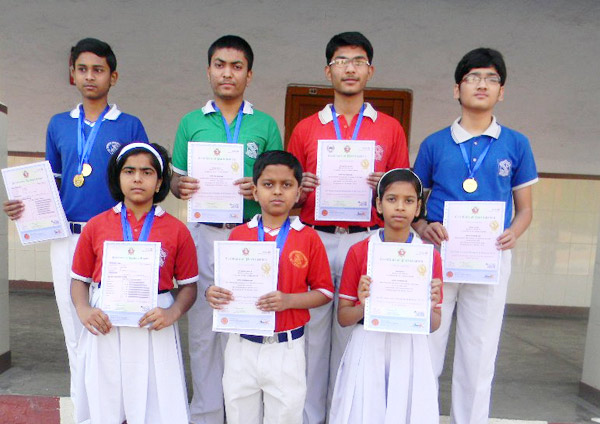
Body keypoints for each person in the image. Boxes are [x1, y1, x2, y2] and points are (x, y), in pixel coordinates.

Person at [2, 37, 148, 404]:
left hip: (116, 239)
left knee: (115, 319)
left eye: (98, 70)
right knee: (74, 323)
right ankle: (83, 406)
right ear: (72, 74)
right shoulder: (59, 125)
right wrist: (24, 206)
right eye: (82, 69)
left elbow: (142, 182)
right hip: (66, 238)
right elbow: (50, 184)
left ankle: (116, 404)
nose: (89, 76)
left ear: (113, 76)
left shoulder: (129, 126)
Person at [287, 31, 409, 423]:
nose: (350, 68)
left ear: (370, 70)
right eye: (341, 61)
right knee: (312, 336)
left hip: (365, 240)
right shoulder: (307, 128)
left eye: (358, 61)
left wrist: (385, 186)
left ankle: (344, 415)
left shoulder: (389, 128)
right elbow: (287, 193)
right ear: (328, 71)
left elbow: (403, 191)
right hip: (316, 237)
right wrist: (300, 189)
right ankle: (309, 418)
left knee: (354, 336)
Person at [412, 48, 538, 424]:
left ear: (502, 91)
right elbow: (414, 206)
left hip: (490, 259)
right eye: (472, 77)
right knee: (426, 346)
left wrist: (513, 233)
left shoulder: (516, 143)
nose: (482, 84)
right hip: (438, 256)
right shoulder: (435, 144)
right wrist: (423, 227)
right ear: (457, 89)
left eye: (491, 78)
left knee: (479, 353)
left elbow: (525, 209)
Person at [170, 35, 283, 424]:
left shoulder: (265, 124)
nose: (227, 73)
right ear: (209, 71)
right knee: (204, 327)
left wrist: (261, 187)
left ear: (249, 75)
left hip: (251, 235)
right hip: (204, 233)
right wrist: (180, 186)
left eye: (237, 66)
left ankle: (242, 413)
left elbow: (278, 182)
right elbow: (175, 180)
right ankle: (205, 413)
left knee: (247, 323)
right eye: (220, 65)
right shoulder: (191, 122)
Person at [70, 142, 198, 424]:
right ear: (118, 177)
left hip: (154, 319)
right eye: (129, 171)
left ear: (159, 182)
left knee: (157, 401)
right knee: (105, 398)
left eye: (147, 172)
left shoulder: (177, 230)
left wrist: (173, 312)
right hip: (106, 319)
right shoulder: (96, 225)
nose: (137, 178)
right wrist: (84, 309)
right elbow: (79, 280)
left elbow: (189, 286)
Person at [206, 150, 334, 424]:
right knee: (239, 415)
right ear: (254, 191)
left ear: (298, 192)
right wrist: (212, 293)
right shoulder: (239, 234)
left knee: (285, 416)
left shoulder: (309, 238)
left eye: (286, 185)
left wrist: (289, 301)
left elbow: (324, 292)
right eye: (268, 184)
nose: (277, 191)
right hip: (242, 344)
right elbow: (224, 287)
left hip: (286, 347)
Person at [330, 168, 443, 424]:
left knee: (405, 411)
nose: (400, 207)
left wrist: (430, 306)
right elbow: (344, 318)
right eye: (392, 199)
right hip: (368, 343)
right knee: (365, 411)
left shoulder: (428, 256)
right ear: (379, 205)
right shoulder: (360, 251)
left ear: (418, 207)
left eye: (409, 200)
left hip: (410, 346)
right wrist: (364, 305)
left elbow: (434, 324)